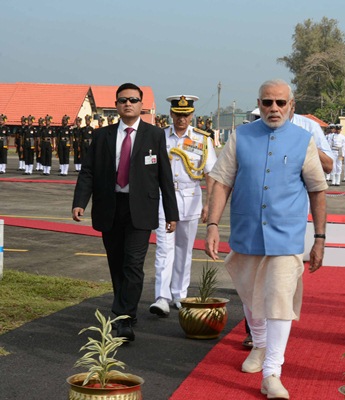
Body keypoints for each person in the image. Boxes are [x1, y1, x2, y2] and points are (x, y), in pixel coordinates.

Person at [205, 79, 327, 399]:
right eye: (267, 102)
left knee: (279, 300)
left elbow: (317, 190)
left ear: (292, 106)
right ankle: (259, 344)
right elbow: (221, 182)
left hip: (286, 236)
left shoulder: (304, 140)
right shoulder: (241, 136)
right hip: (247, 233)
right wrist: (213, 224)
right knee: (250, 297)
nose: (274, 108)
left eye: (280, 103)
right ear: (258, 104)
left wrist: (320, 238)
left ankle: (273, 371)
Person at [72, 83, 179, 341]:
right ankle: (125, 313)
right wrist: (80, 202)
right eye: (123, 100)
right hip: (110, 206)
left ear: (141, 105)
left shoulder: (154, 135)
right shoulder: (102, 136)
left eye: (133, 100)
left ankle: (123, 316)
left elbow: (165, 175)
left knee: (133, 264)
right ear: (116, 105)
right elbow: (88, 171)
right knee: (116, 263)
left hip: (140, 208)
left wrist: (171, 213)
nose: (128, 104)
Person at [149, 95, 217, 316]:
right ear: (171, 114)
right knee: (164, 248)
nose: (181, 119)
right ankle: (161, 297)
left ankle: (180, 294)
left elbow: (210, 174)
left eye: (186, 115)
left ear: (192, 115)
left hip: (190, 197)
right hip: (163, 197)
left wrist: (208, 204)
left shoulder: (201, 139)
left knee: (184, 249)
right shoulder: (159, 137)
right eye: (178, 114)